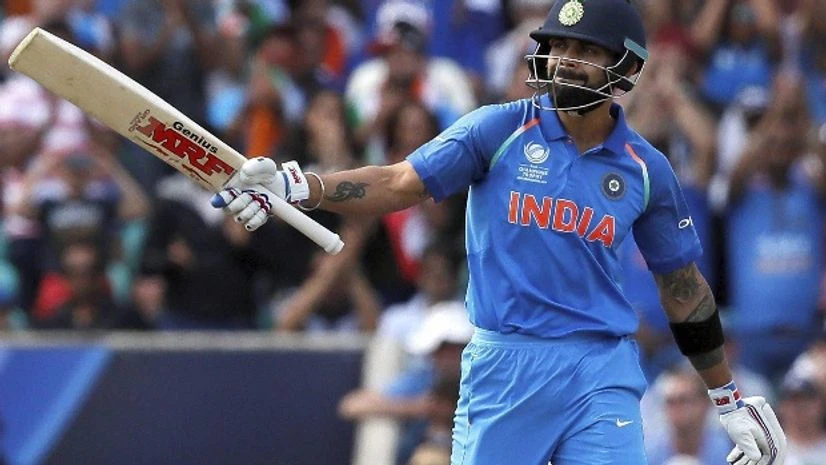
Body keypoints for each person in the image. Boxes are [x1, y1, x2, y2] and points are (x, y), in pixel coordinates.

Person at [213, 1, 787, 464]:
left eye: (585, 50)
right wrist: (301, 187)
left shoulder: (644, 169)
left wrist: (727, 397)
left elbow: (682, 288)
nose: (564, 60)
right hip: (507, 363)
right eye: (558, 45)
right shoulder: (499, 128)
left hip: (601, 367)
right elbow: (398, 181)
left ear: (628, 69)